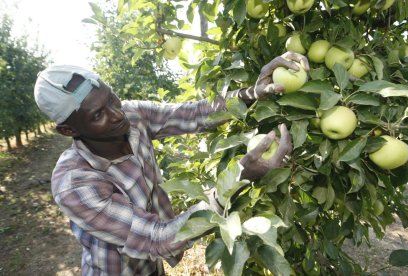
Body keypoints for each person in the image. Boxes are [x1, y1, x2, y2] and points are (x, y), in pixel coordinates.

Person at [33, 51, 309, 275]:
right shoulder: (75, 183)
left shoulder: (131, 116)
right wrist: (237, 177)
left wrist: (251, 94)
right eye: (98, 115)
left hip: (152, 265)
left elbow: (194, 113)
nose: (117, 114)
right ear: (69, 130)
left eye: (111, 97)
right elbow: (155, 237)